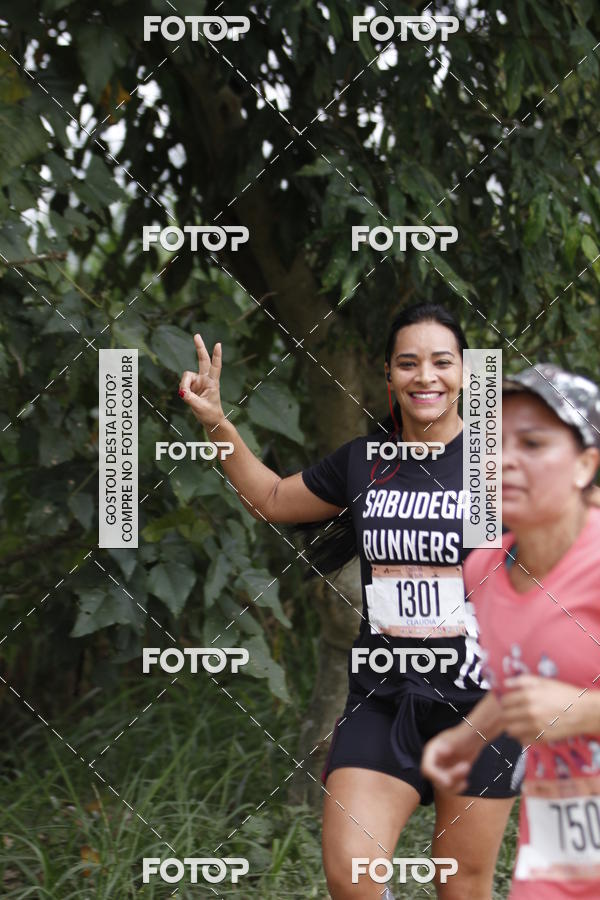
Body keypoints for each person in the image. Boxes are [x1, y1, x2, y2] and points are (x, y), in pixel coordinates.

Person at [178, 302, 523, 900]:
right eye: (408, 363)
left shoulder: (500, 468)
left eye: (442, 362)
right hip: (383, 698)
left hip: (480, 706)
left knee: (462, 885)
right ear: (388, 376)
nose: (426, 377)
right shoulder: (365, 464)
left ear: (466, 373)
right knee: (352, 876)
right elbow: (275, 499)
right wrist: (217, 423)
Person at [421, 363, 600, 899]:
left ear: (585, 464)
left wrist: (585, 711)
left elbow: (564, 701)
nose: (503, 460)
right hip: (564, 848)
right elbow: (529, 679)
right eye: (492, 441)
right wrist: (466, 736)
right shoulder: (485, 571)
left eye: (533, 442)